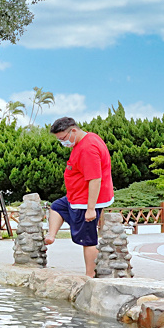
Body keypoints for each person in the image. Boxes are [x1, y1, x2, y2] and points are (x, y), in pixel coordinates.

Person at [44, 117, 114, 278]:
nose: (63, 142)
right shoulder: (87, 139)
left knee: (88, 240)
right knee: (57, 206)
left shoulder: (88, 148)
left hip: (85, 201)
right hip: (76, 196)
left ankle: (90, 276)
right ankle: (51, 236)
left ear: (73, 131)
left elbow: (95, 179)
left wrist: (91, 209)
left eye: (63, 138)